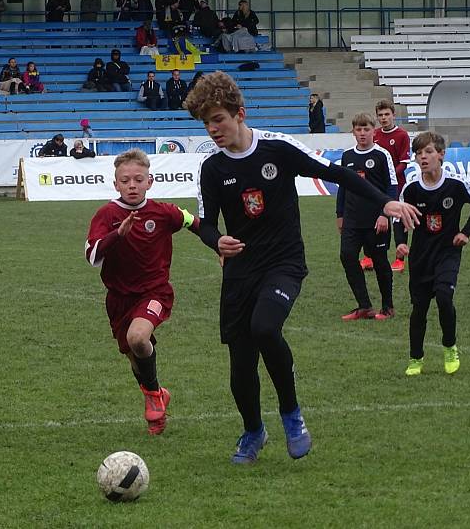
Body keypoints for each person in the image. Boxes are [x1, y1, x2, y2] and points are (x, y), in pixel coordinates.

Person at [183, 72, 420, 463]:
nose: (212, 130)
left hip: (283, 263)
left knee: (264, 327)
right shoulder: (211, 169)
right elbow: (206, 223)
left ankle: (291, 414)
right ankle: (253, 432)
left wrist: (386, 202)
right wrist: (215, 240)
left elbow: (338, 173)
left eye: (218, 119)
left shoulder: (277, 148)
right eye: (206, 123)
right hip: (240, 270)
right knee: (241, 364)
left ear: (239, 114)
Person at [85, 148, 200, 435]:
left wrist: (220, 244)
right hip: (119, 299)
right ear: (116, 184)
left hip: (155, 292)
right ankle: (157, 393)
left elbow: (194, 222)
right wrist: (116, 235)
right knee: (136, 357)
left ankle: (152, 397)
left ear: (150, 181)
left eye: (139, 179)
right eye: (125, 181)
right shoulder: (107, 214)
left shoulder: (163, 212)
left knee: (138, 337)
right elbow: (91, 255)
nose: (132, 185)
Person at [394, 132, 470, 376]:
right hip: (421, 256)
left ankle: (449, 347)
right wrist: (401, 243)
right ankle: (415, 359)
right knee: (419, 309)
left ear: (441, 154)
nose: (423, 157)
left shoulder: (456, 183)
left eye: (429, 152)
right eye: (419, 153)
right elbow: (398, 218)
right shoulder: (411, 189)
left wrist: (465, 232)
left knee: (445, 298)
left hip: (447, 253)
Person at [336, 113, 398, 321]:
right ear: (353, 132)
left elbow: (392, 187)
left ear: (374, 130)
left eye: (366, 129)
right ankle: (364, 306)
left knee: (380, 261)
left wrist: (384, 214)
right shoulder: (347, 156)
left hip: (376, 220)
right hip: (352, 220)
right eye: (358, 129)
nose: (362, 133)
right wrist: (340, 214)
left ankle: (387, 307)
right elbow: (343, 187)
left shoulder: (382, 155)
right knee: (347, 255)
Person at [374, 98, 412, 273]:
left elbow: (404, 163)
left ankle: (399, 259)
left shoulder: (402, 135)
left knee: (397, 219)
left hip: (398, 185)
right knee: (376, 218)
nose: (384, 118)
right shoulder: (374, 134)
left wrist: (389, 178)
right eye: (380, 115)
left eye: (387, 114)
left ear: (393, 115)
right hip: (378, 186)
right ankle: (371, 256)